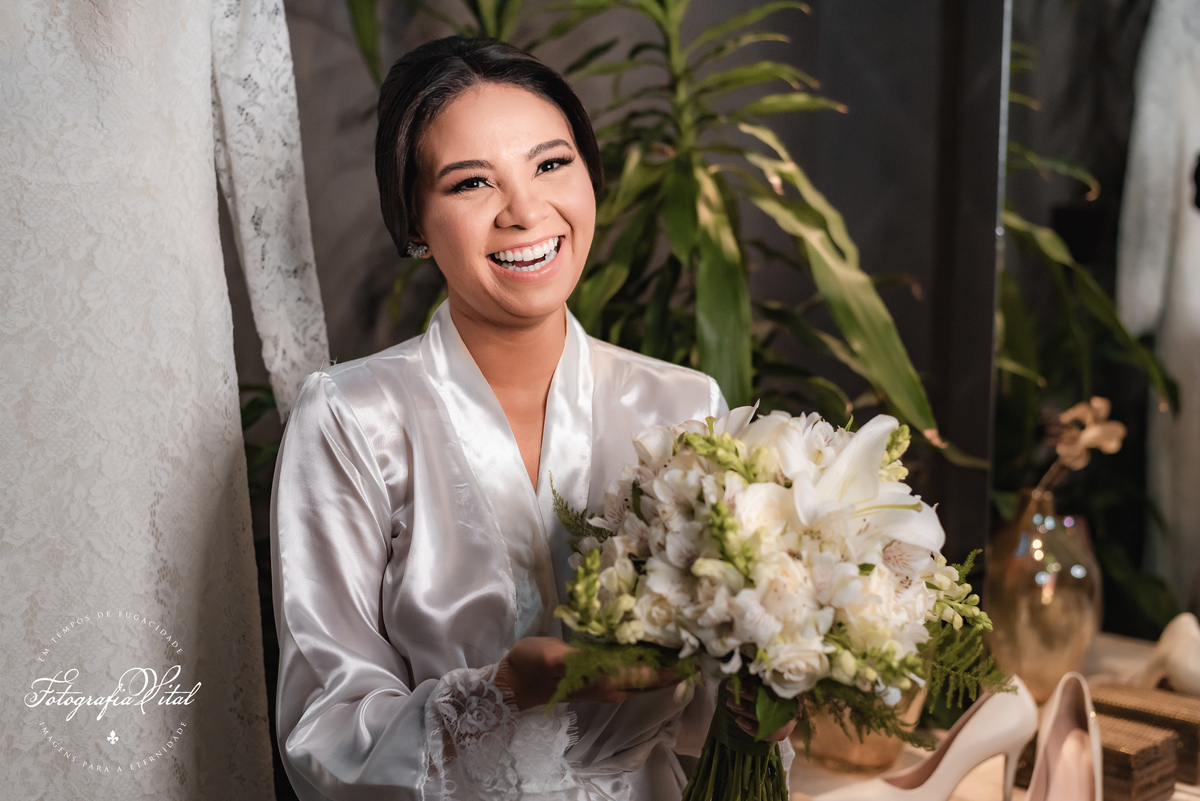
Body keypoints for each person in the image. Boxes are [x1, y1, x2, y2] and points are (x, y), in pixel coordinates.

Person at [271, 37, 790, 800]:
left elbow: (706, 717)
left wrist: (770, 697)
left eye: (551, 164)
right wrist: (500, 693)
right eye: (472, 182)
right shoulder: (350, 417)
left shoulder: (683, 405)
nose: (524, 211)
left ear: (590, 175)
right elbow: (323, 729)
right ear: (414, 220)